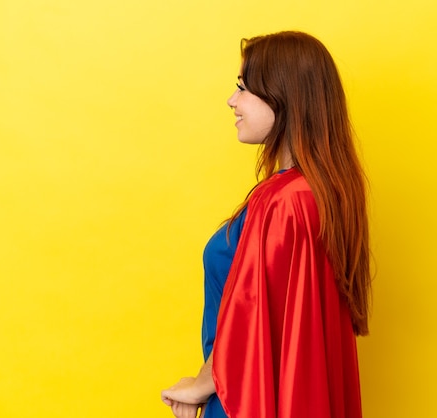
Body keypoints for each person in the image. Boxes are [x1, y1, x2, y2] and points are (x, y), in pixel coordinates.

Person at [161, 30, 371, 418]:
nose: (232, 100)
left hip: (249, 397)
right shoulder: (315, 194)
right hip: (259, 391)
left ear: (284, 96)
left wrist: (198, 388)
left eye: (244, 88)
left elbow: (248, 322)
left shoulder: (286, 200)